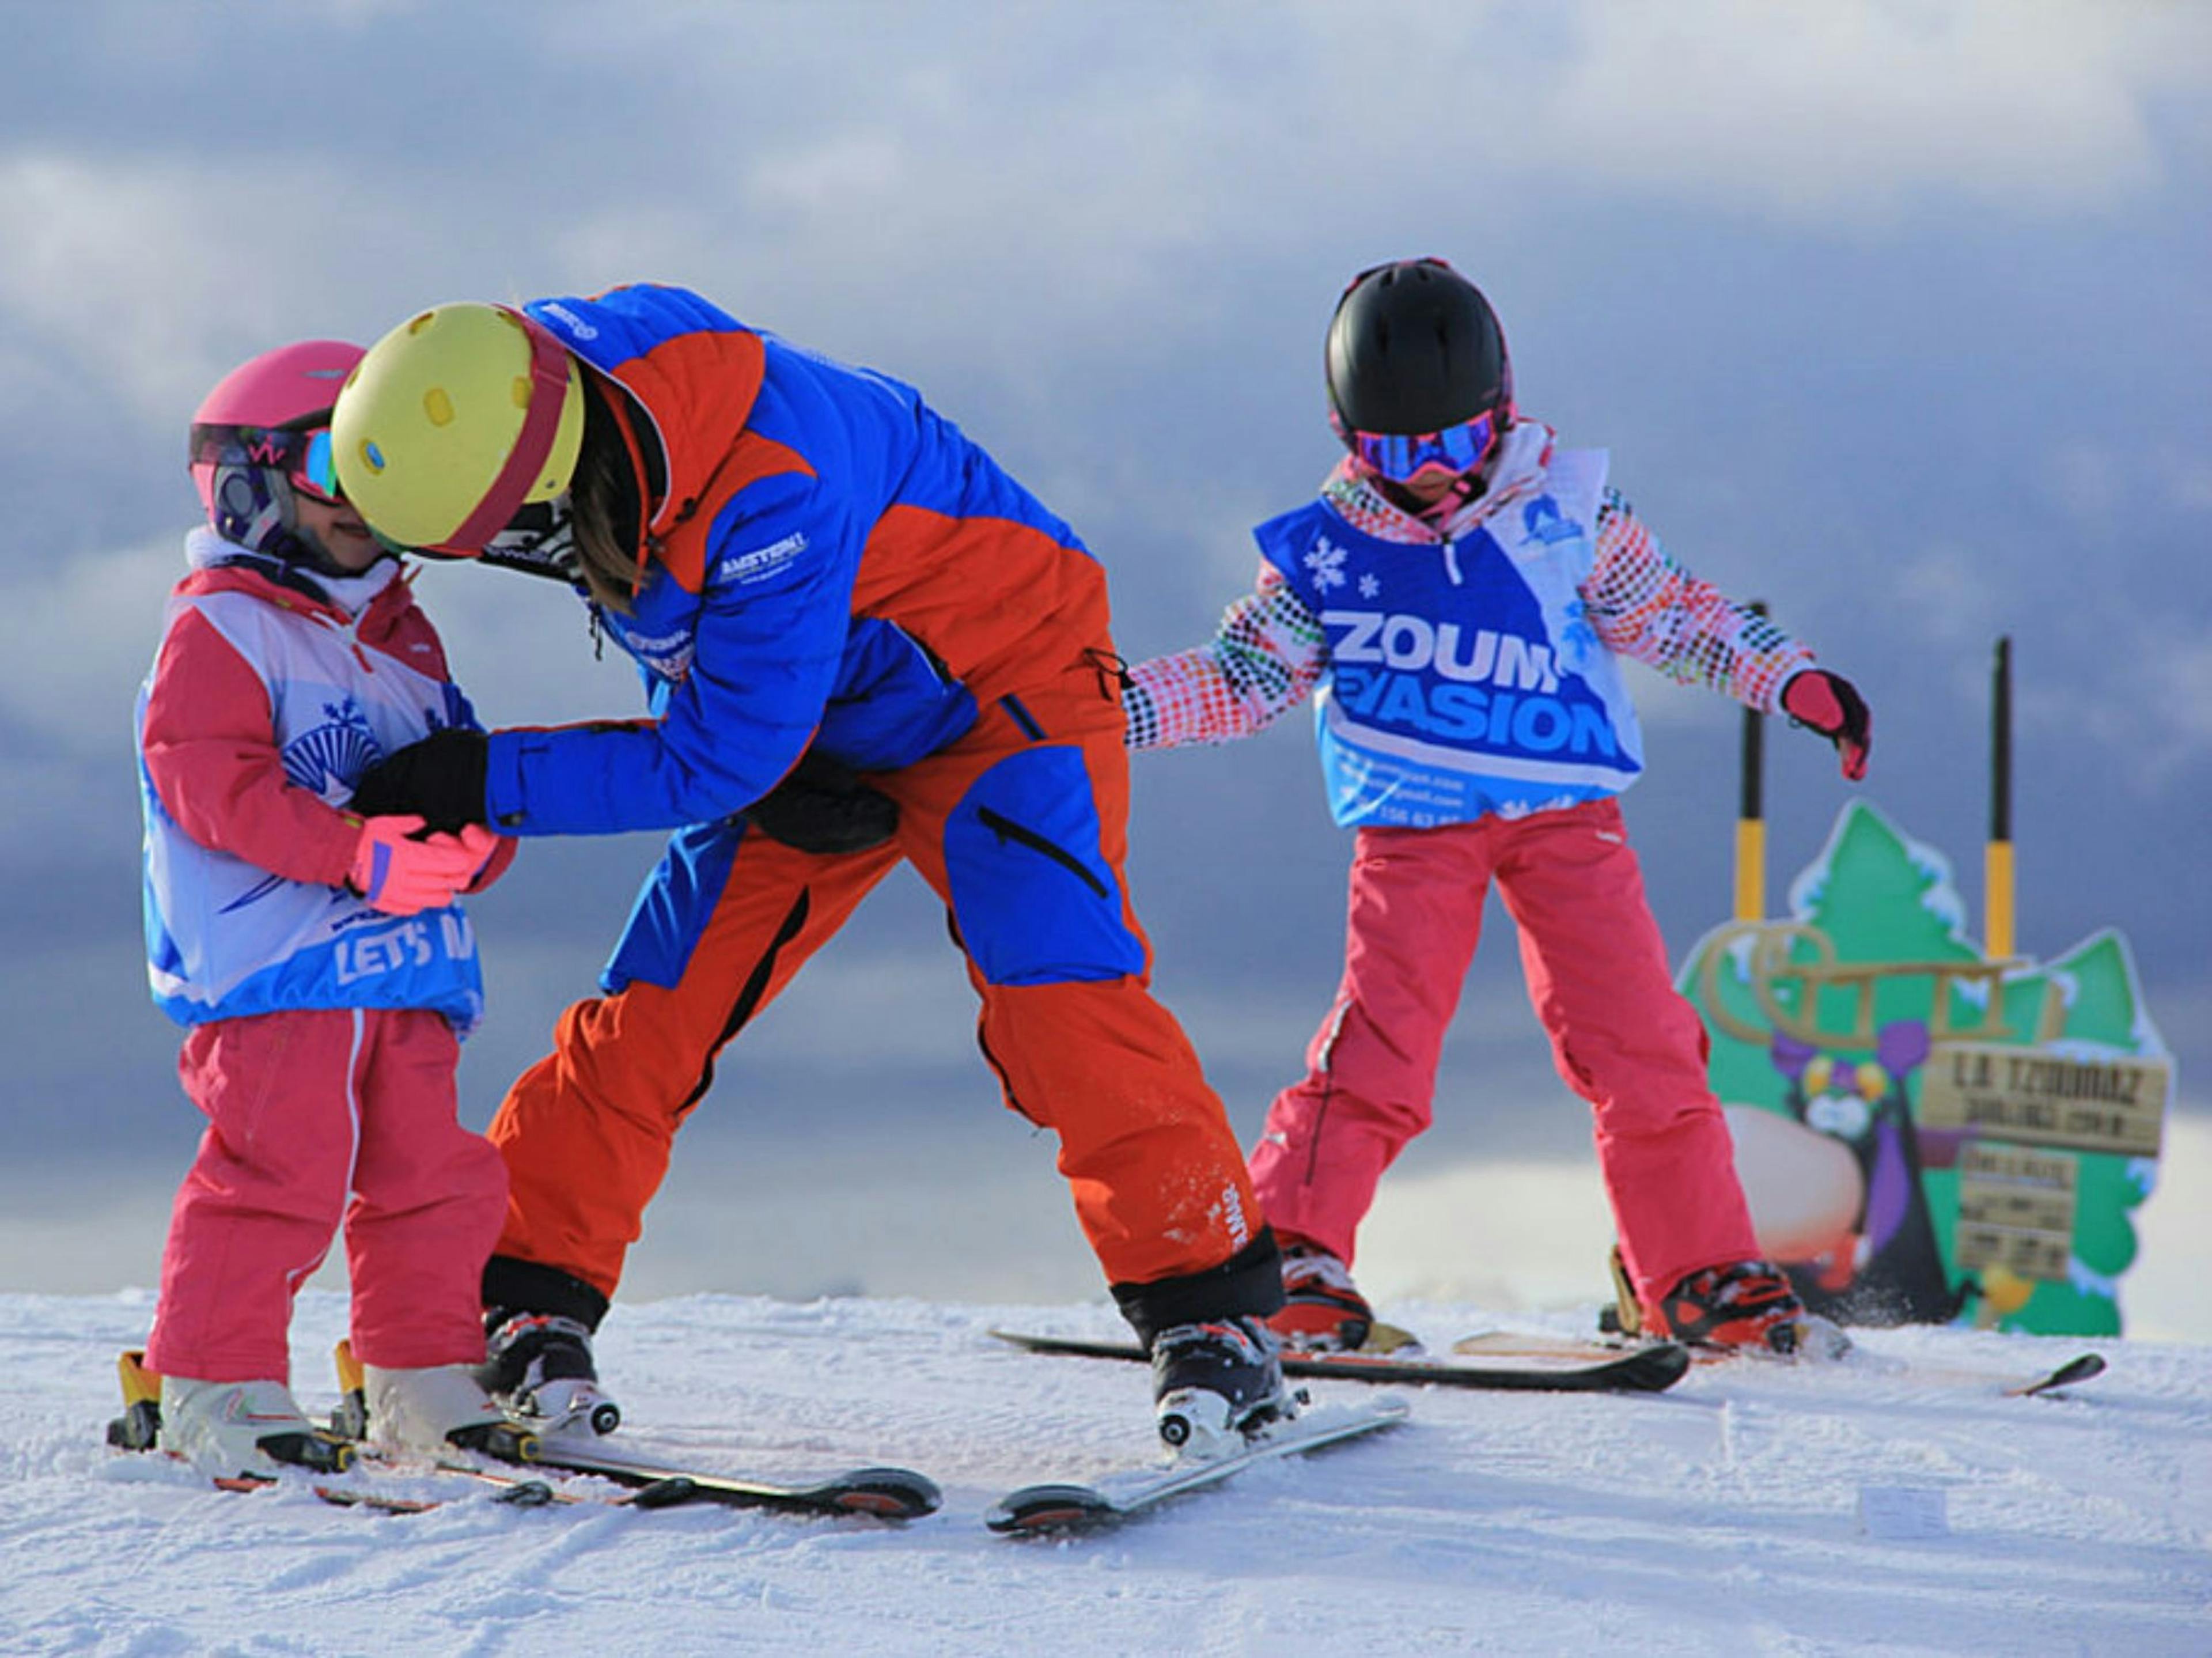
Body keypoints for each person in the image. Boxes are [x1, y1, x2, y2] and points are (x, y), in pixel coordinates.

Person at [329, 286, 1290, 1454]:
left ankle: (1212, 1310)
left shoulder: (769, 480)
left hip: (1003, 693)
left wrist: (485, 776)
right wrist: (766, 750)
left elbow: (710, 754)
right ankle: (523, 1291)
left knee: (1059, 997)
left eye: (503, 540)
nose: (513, 559)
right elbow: (686, 640)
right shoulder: (537, 405)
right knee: (656, 1006)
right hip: (807, 723)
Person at [1122, 258, 1872, 1357]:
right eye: (1393, 453)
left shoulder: (1565, 511)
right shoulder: (1329, 552)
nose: (1428, 475)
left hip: (1568, 818)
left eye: (1454, 442)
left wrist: (1794, 680)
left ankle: (1695, 1271)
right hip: (1414, 828)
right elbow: (1242, 676)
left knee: (1643, 1044)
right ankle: (1291, 1256)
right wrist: (1106, 708)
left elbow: (1672, 617)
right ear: (1347, 437)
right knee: (1380, 1046)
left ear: (1503, 411)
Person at [133, 340, 520, 1479]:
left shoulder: (406, 638)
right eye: (334, 466)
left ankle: (420, 1377)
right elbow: (211, 780)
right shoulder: (222, 625)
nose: (361, 498)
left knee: (434, 1176)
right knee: (280, 1168)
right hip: (279, 967)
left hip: (404, 966)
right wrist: (353, 855)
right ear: (250, 477)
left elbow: (459, 772)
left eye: (389, 469)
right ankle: (215, 1382)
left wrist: (476, 841)